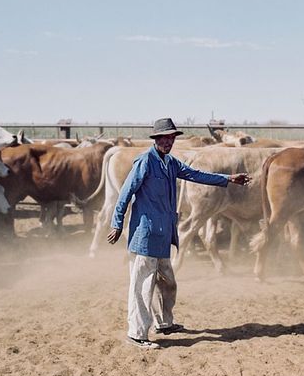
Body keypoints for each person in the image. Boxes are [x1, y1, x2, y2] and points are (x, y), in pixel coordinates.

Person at [107, 117, 251, 349]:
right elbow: (126, 192)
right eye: (164, 138)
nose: (168, 142)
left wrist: (228, 179)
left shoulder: (171, 163)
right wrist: (117, 223)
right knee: (142, 285)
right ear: (156, 139)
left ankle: (164, 323)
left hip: (163, 234)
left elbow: (196, 175)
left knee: (167, 282)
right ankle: (136, 333)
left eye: (171, 138)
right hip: (145, 234)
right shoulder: (145, 161)